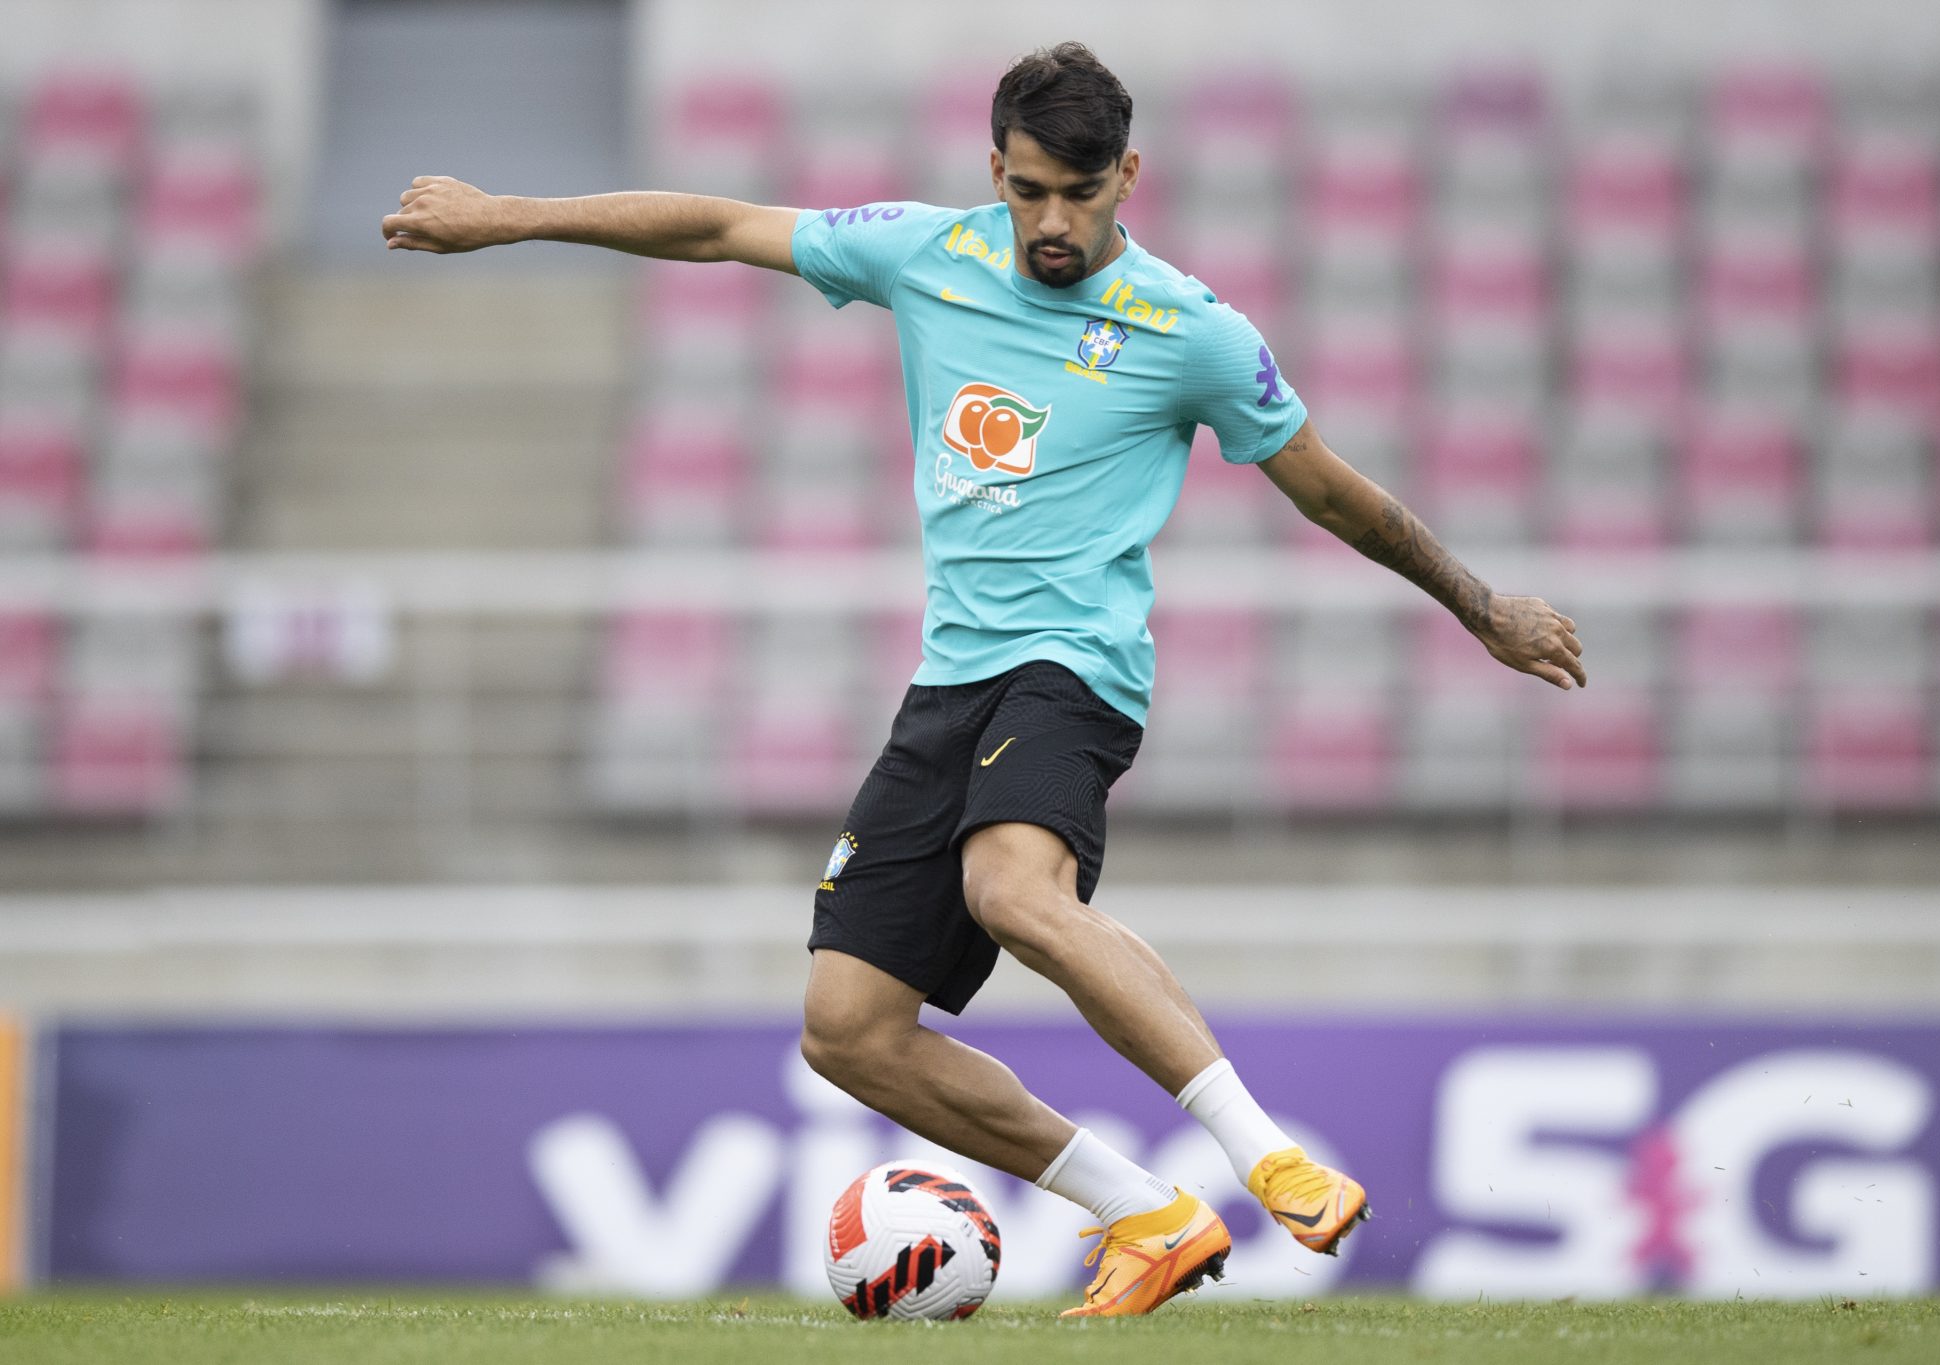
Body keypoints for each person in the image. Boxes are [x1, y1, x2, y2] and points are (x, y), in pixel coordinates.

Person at [383, 41, 1587, 1317]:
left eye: (1079, 191)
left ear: (1129, 174)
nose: (1051, 221)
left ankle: (1266, 1156)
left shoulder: (1189, 331)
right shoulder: (924, 253)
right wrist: (507, 218)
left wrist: (1481, 608)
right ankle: (1149, 1215)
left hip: (1074, 670)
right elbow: (722, 224)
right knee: (845, 1032)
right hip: (948, 682)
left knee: (1011, 890)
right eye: (1027, 191)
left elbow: (1334, 491)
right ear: (993, 172)